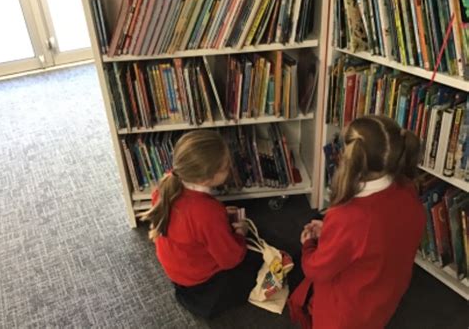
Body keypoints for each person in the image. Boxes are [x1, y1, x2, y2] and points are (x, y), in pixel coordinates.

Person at [289, 115, 426, 329]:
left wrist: (309, 244)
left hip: (344, 315)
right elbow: (375, 240)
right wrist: (331, 232)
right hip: (383, 299)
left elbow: (317, 269)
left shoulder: (348, 215)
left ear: (349, 157)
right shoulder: (408, 190)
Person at [139, 130, 262, 319]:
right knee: (256, 261)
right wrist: (240, 234)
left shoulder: (164, 187)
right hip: (203, 285)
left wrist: (218, 220)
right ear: (207, 179)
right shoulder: (207, 212)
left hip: (180, 273)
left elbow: (188, 224)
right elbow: (230, 259)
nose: (230, 168)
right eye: (226, 167)